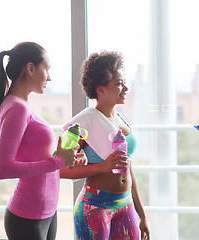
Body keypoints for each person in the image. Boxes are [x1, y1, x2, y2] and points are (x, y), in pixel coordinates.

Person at [0, 42, 81, 240]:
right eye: (47, 69)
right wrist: (57, 161)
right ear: (31, 68)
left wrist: (65, 160)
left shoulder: (20, 105)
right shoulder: (17, 108)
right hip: (28, 217)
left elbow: (35, 158)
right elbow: (2, 169)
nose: (50, 77)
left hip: (46, 211)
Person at [60, 51, 150, 240]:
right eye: (119, 83)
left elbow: (128, 169)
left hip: (125, 206)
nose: (126, 87)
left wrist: (142, 215)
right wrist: (102, 166)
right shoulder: (81, 124)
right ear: (100, 89)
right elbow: (60, 170)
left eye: (124, 82)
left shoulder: (123, 120)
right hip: (94, 208)